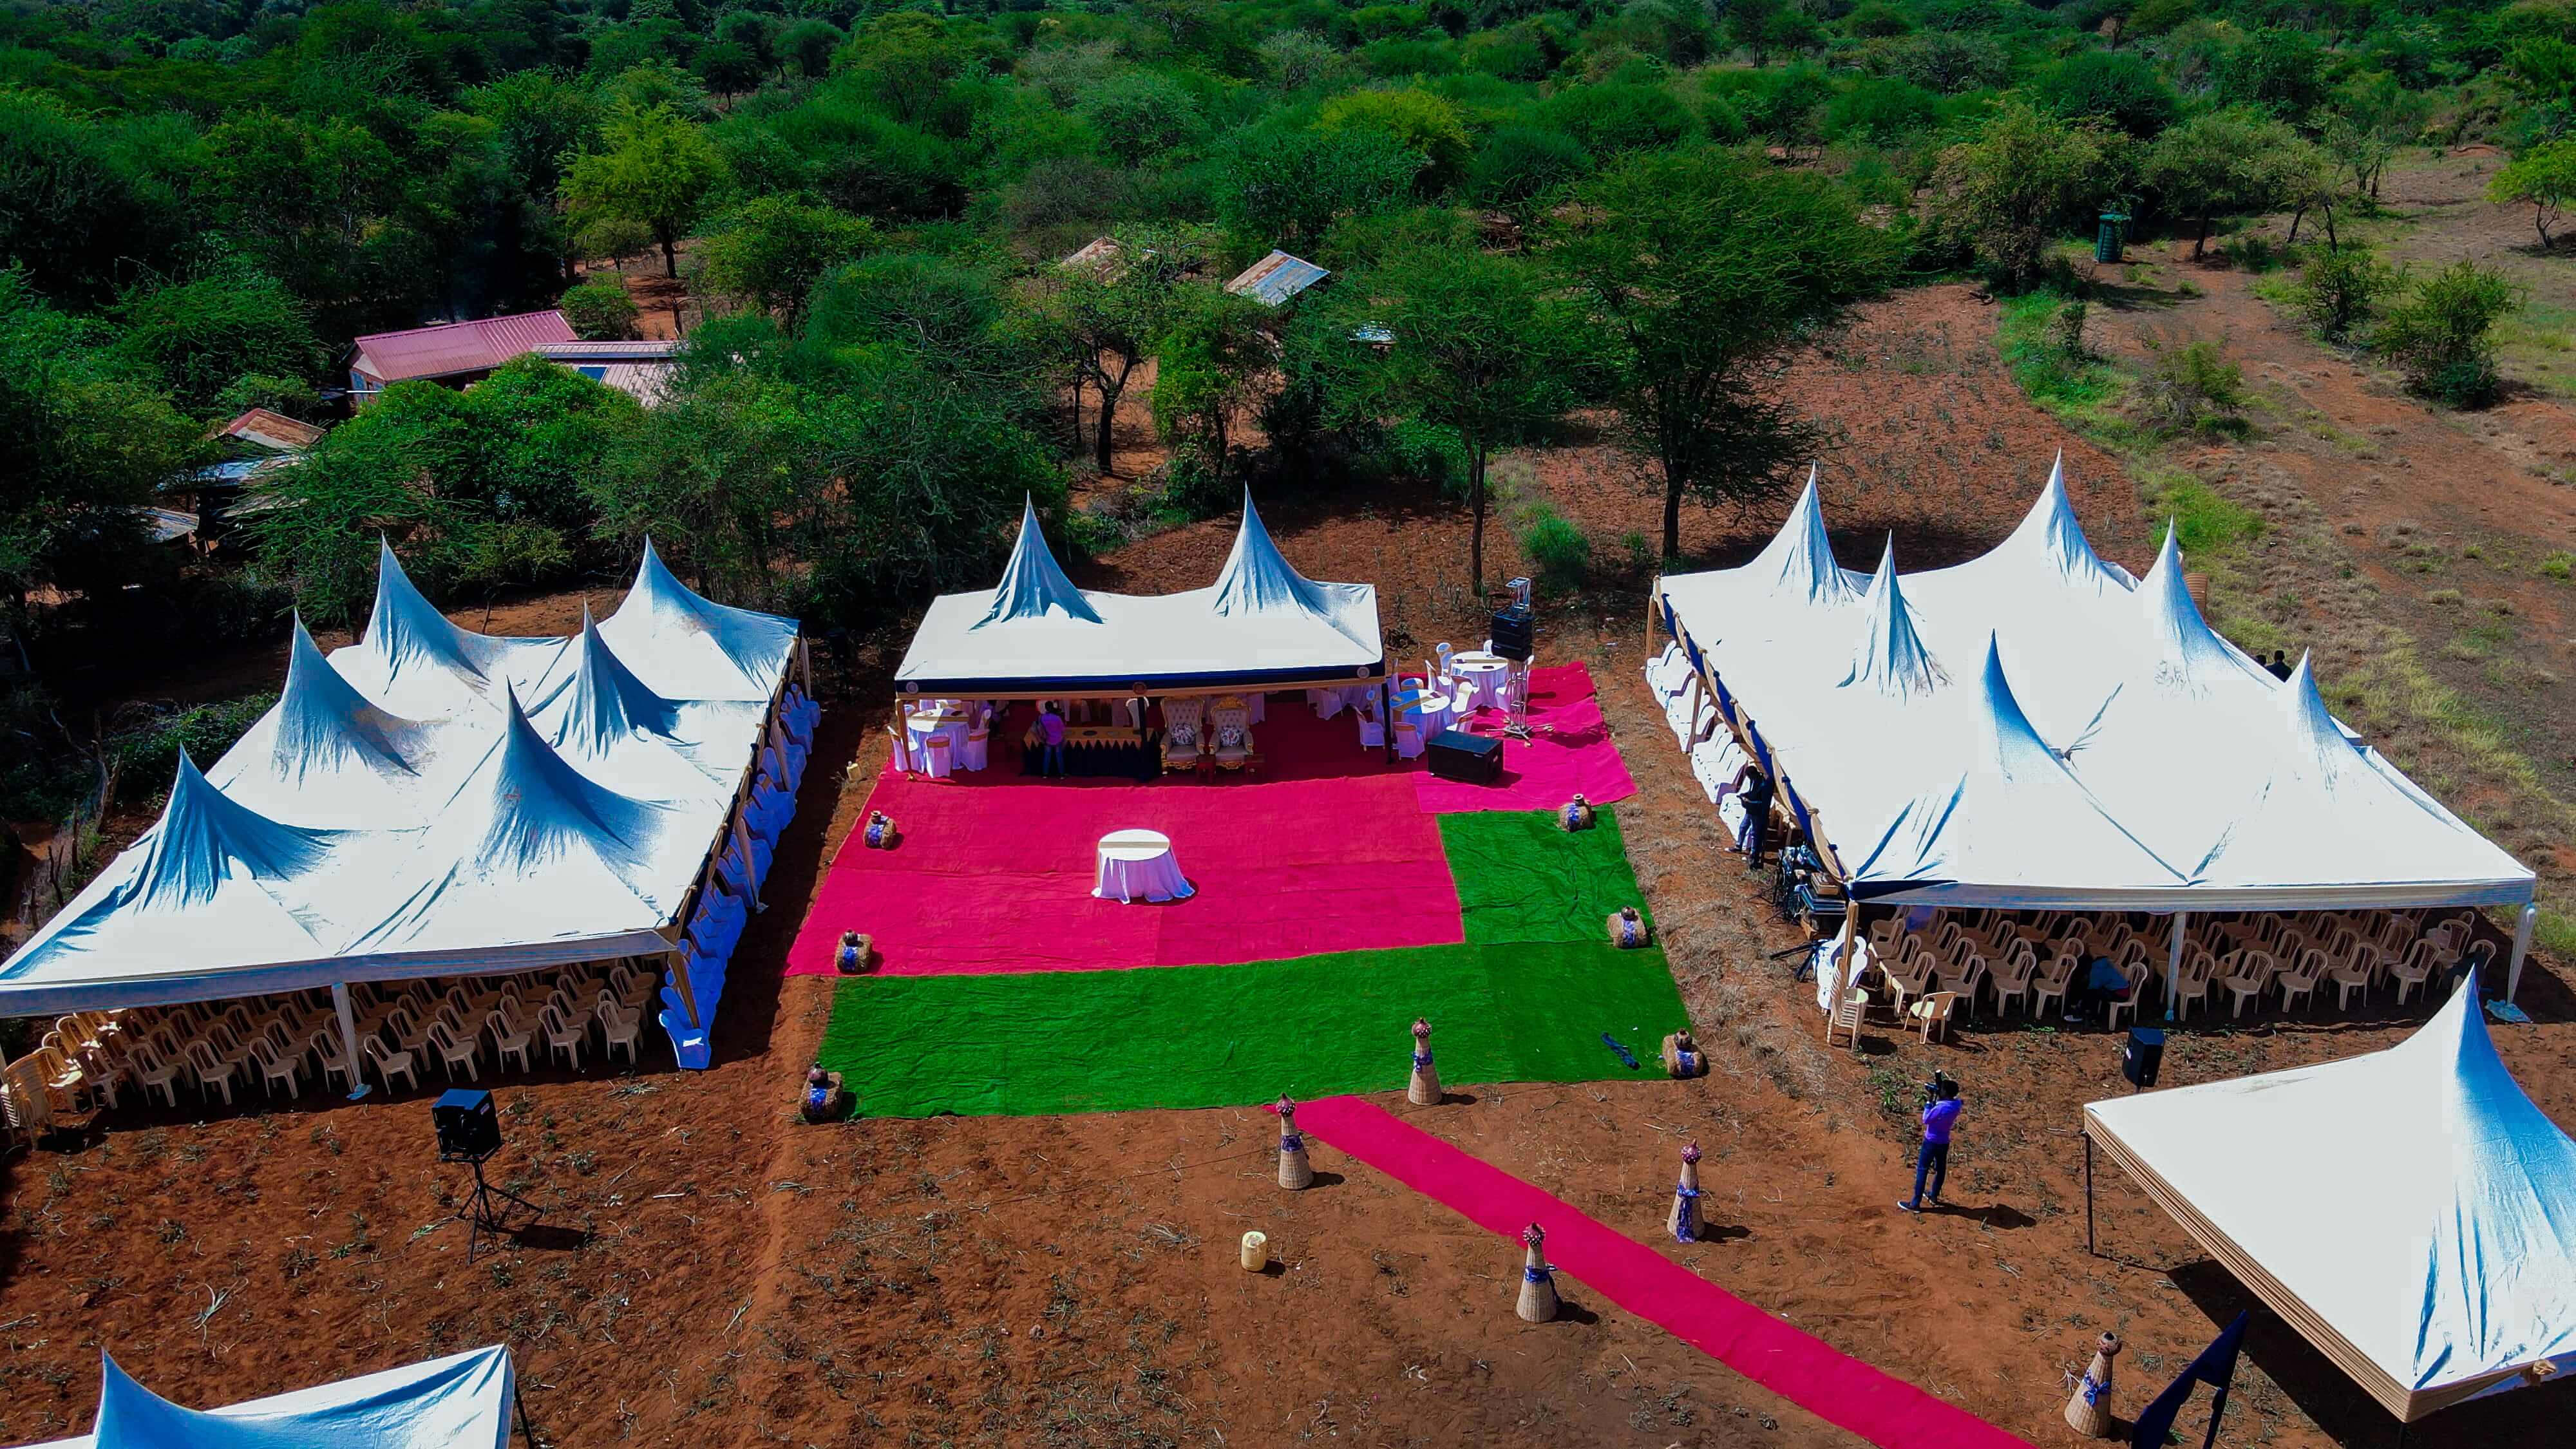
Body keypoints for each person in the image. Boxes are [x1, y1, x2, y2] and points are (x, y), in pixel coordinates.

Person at [1899, 1077, 1963, 1213]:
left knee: (1922, 1170)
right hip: (1944, 1142)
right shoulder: (1957, 1105)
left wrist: (1929, 1100)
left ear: (1944, 1093)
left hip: (1931, 1142)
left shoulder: (1940, 1108)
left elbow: (1926, 1119)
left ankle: (1915, 1204)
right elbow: (1950, 1100)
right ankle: (1934, 1196)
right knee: (1940, 1169)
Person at [1038, 703, 1067, 778]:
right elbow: (1062, 729)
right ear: (1053, 707)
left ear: (1045, 708)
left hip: (1048, 740)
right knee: (1059, 757)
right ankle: (1062, 775)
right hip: (1058, 739)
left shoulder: (1042, 718)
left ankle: (1045, 774)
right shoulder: (1057, 718)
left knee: (1047, 757)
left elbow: (1041, 728)